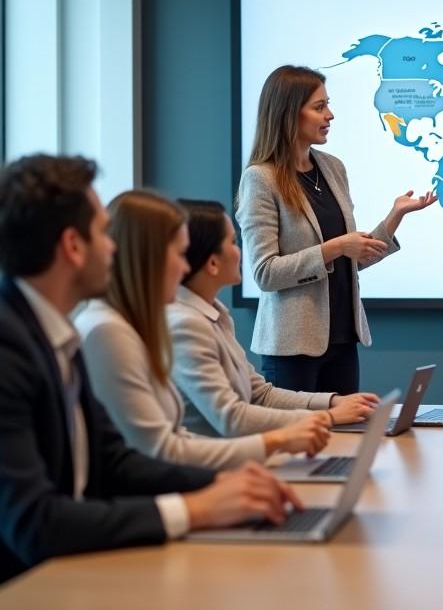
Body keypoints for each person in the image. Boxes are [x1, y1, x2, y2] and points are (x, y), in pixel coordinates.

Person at [0, 155, 302, 584]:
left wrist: (219, 483)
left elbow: (115, 461)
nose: (113, 248)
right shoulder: (17, 346)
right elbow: (35, 521)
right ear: (72, 245)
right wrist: (194, 509)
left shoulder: (55, 334)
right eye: (103, 233)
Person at [77, 190, 333, 470]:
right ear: (149, 258)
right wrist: (280, 439)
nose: (186, 266)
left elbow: (174, 438)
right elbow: (160, 451)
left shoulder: (128, 325)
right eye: (178, 254)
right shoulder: (109, 332)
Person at [237, 65, 436, 394]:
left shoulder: (332, 168)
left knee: (344, 443)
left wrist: (394, 217)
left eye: (327, 105)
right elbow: (265, 273)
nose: (330, 115)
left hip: (343, 340)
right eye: (319, 107)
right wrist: (336, 247)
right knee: (299, 445)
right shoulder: (261, 178)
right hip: (292, 348)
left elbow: (351, 258)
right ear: (288, 113)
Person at [169, 199, 379, 437]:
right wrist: (327, 417)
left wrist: (332, 403)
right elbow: (231, 418)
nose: (241, 251)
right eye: (233, 242)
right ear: (213, 263)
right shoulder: (185, 325)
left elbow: (260, 395)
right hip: (215, 467)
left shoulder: (215, 314)